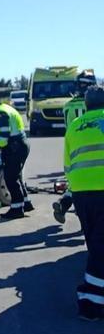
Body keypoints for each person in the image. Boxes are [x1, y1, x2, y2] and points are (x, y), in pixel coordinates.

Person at [63, 86, 104, 320]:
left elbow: (68, 166)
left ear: (85, 105)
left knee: (95, 245)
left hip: (81, 194)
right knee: (101, 251)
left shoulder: (74, 127)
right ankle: (90, 302)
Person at [0, 94, 33, 219]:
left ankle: (17, 208)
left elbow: (4, 134)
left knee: (10, 178)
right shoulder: (6, 108)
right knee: (16, 176)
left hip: (13, 148)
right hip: (20, 145)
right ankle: (26, 203)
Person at [55, 71, 98, 223]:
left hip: (75, 145)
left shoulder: (68, 106)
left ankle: (65, 203)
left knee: (77, 180)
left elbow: (69, 128)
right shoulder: (95, 104)